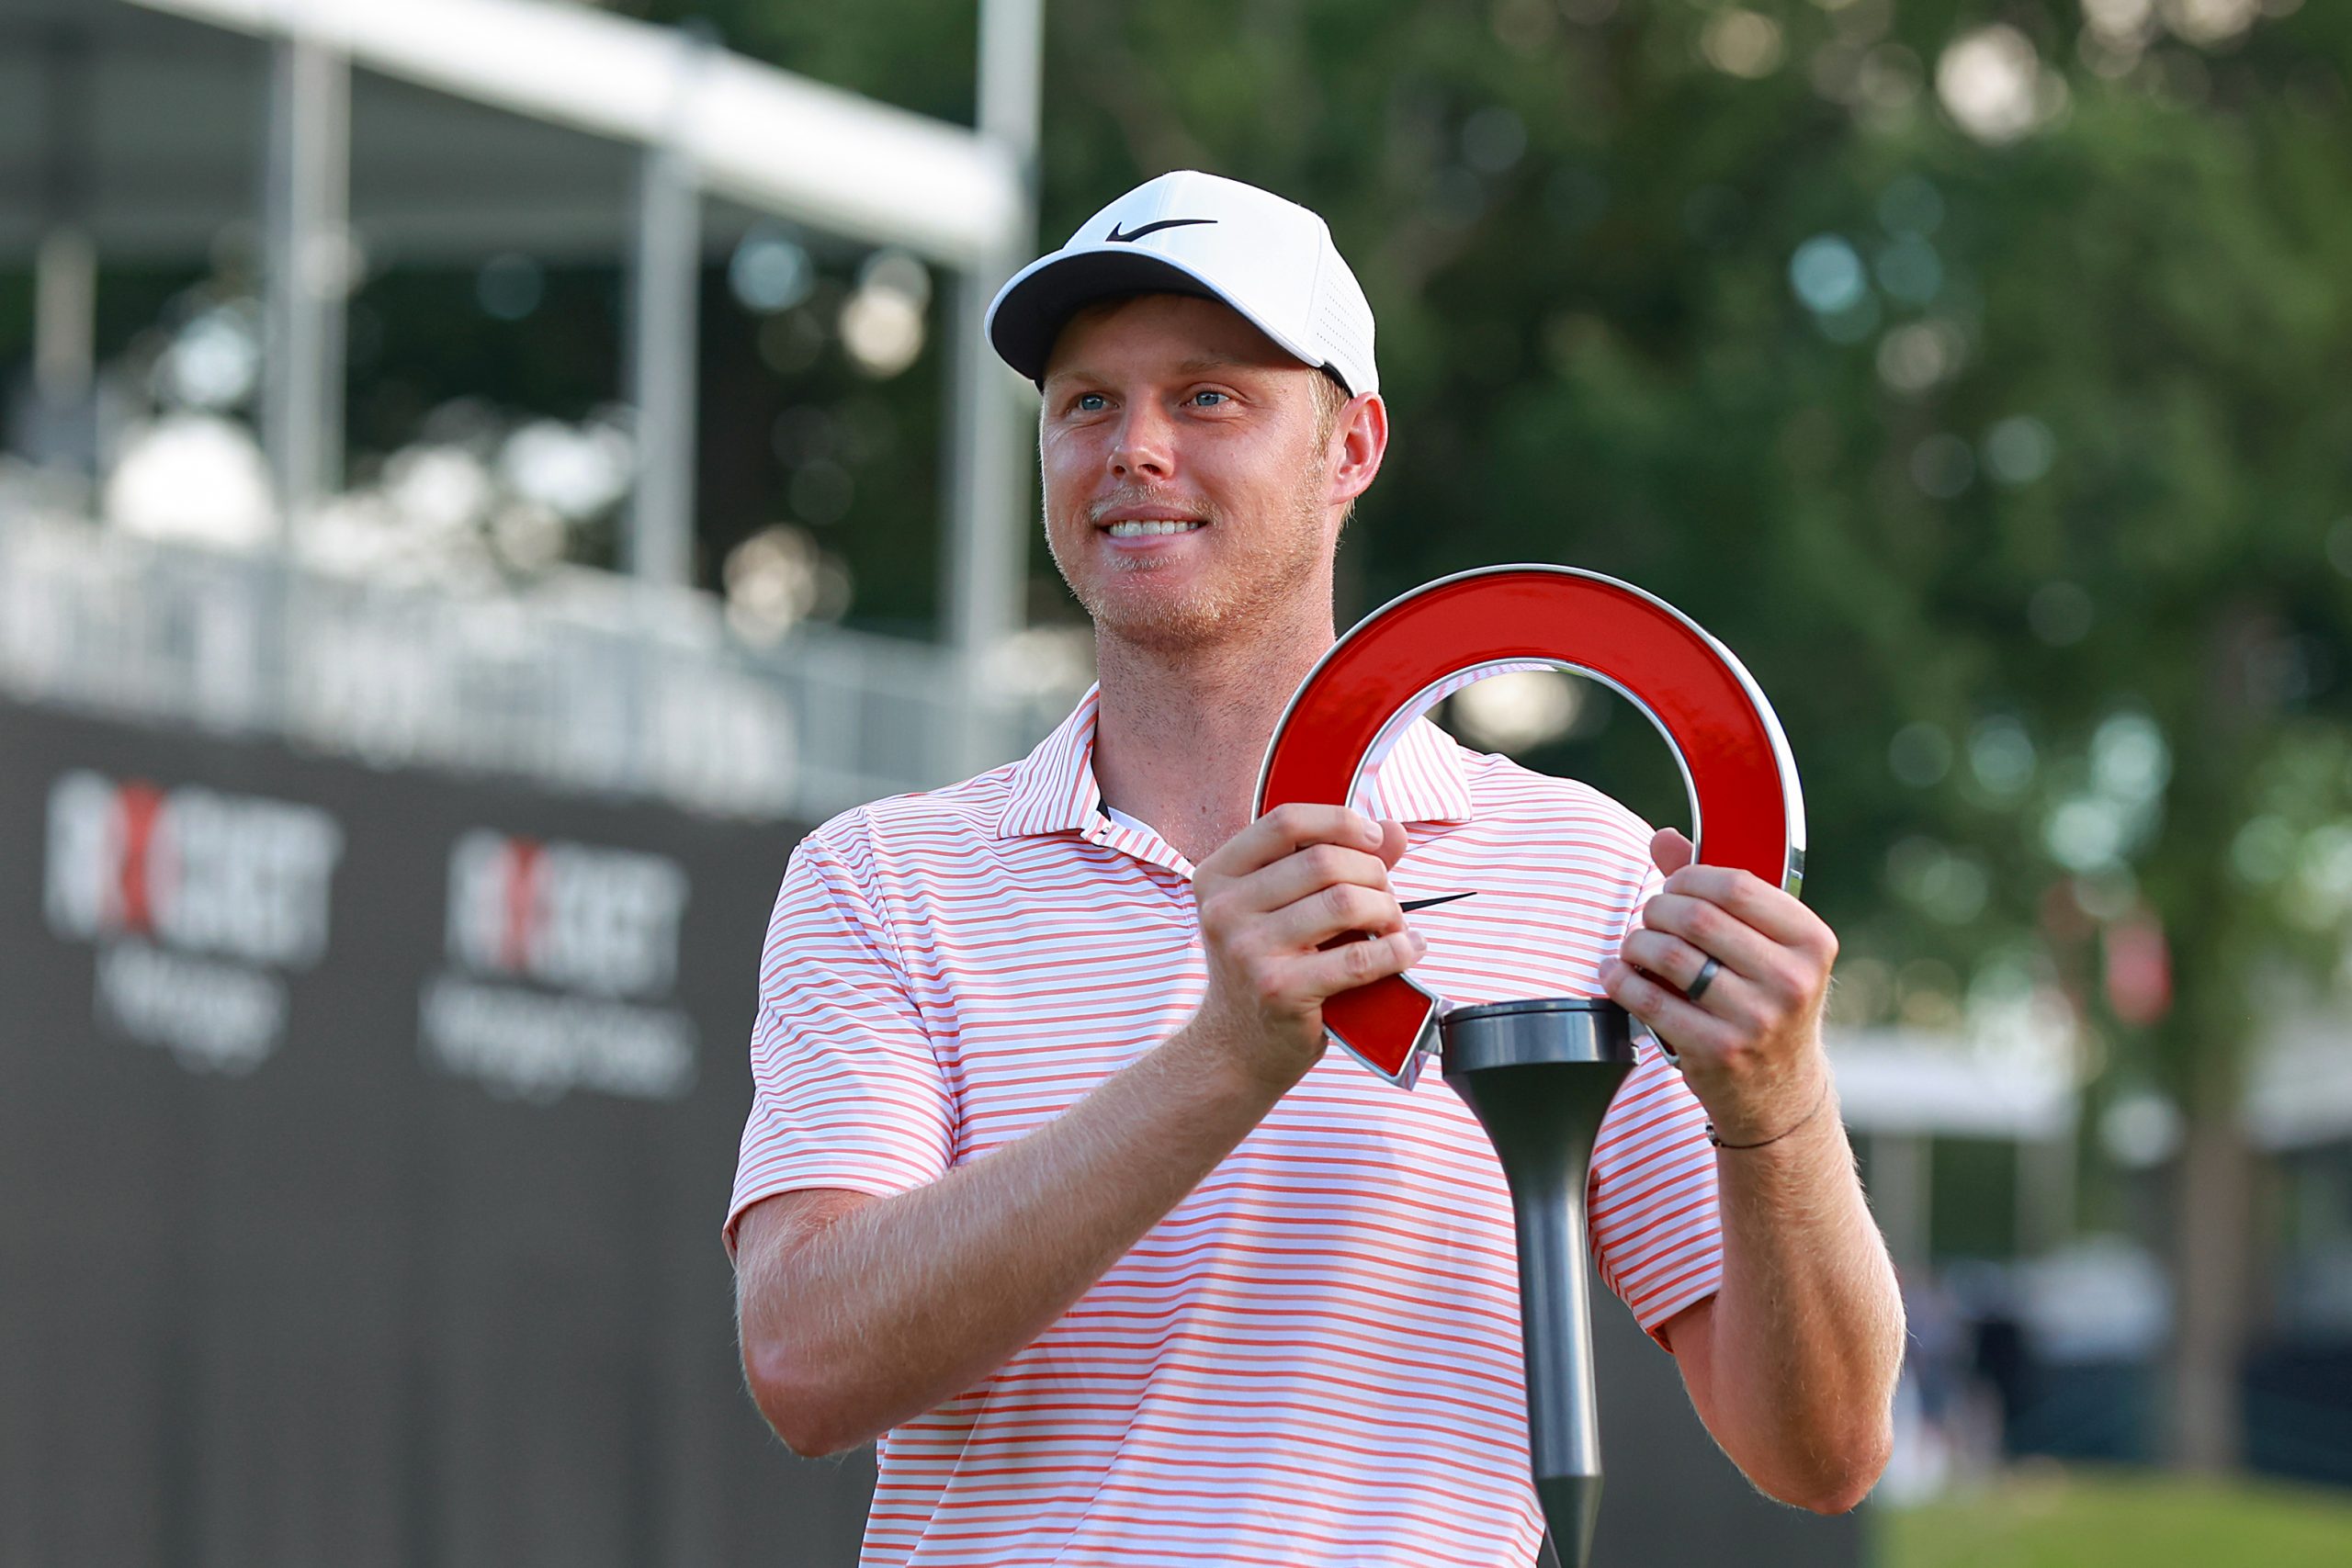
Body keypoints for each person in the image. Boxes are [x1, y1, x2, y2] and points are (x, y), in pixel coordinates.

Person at [729, 171, 1903, 1566]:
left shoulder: (1579, 867)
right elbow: (803, 1365)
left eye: (1211, 396)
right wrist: (1227, 1056)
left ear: (1352, 447)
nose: (1136, 449)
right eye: (1086, 402)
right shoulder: (888, 878)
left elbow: (1821, 1451)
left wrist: (1777, 1107)